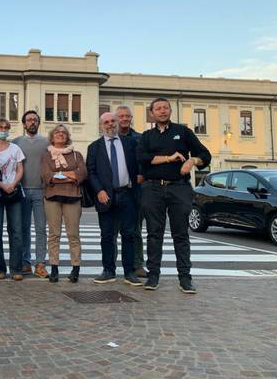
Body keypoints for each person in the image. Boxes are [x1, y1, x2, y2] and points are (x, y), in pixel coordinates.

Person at [137, 97, 211, 294]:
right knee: (154, 234)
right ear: (152, 113)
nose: (162, 111)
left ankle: (185, 278)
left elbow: (206, 155)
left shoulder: (183, 132)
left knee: (181, 234)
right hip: (152, 189)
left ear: (170, 111)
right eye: (158, 108)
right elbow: (142, 159)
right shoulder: (146, 136)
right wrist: (169, 158)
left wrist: (192, 160)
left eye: (165, 108)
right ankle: (153, 276)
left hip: (179, 188)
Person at [86, 112, 143, 286]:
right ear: (100, 126)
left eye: (113, 121)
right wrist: (99, 191)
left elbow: (139, 163)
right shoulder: (94, 147)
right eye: (106, 122)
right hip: (106, 196)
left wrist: (140, 176)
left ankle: (129, 272)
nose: (110, 124)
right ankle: (108, 270)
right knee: (107, 235)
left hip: (127, 194)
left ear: (117, 123)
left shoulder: (130, 143)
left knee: (129, 234)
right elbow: (91, 172)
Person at [41, 124, 86, 283]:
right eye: (57, 132)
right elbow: (47, 176)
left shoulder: (76, 155)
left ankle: (75, 268)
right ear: (52, 137)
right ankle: (54, 268)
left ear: (67, 137)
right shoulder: (46, 155)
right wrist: (70, 176)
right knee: (54, 234)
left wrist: (60, 175)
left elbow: (81, 174)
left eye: (63, 132)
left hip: (73, 197)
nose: (60, 134)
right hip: (52, 196)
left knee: (73, 234)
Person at [0, 118, 25, 281]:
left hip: (13, 193)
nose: (3, 129)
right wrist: (2, 185)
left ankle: (16, 268)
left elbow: (20, 169)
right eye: (0, 127)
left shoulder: (15, 148)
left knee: (16, 231)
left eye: (6, 127)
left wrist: (12, 184)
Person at [13, 110, 50, 278]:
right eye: (29, 120)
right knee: (23, 228)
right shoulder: (15, 142)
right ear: (24, 124)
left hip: (41, 191)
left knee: (41, 228)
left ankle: (40, 263)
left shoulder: (47, 143)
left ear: (38, 123)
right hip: (21, 191)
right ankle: (25, 262)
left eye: (35, 120)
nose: (32, 122)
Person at [114, 105, 147, 278]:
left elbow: (145, 161)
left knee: (135, 230)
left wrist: (142, 173)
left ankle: (138, 264)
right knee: (111, 231)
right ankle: (109, 265)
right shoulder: (109, 139)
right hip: (114, 192)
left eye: (127, 116)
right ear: (116, 118)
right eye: (121, 116)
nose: (125, 119)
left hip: (135, 192)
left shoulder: (140, 139)